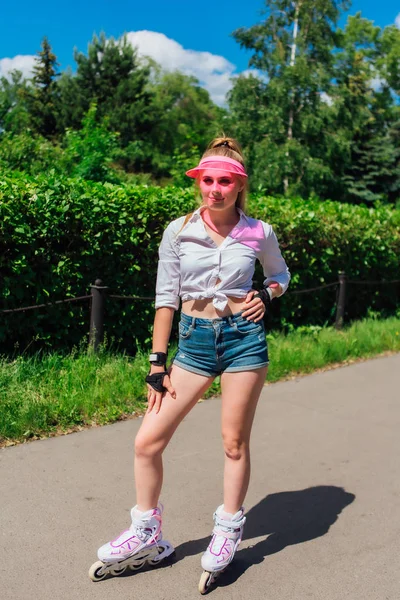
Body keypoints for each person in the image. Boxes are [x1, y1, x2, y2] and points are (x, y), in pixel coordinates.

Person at [90, 137, 290, 589]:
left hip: (243, 341)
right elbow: (166, 298)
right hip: (194, 344)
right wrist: (157, 361)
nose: (214, 189)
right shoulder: (178, 230)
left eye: (224, 181)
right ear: (198, 182)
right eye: (207, 180)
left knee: (233, 442)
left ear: (239, 186)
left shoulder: (260, 231)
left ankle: (228, 529)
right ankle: (147, 531)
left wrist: (265, 294)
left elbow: (280, 274)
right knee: (147, 441)